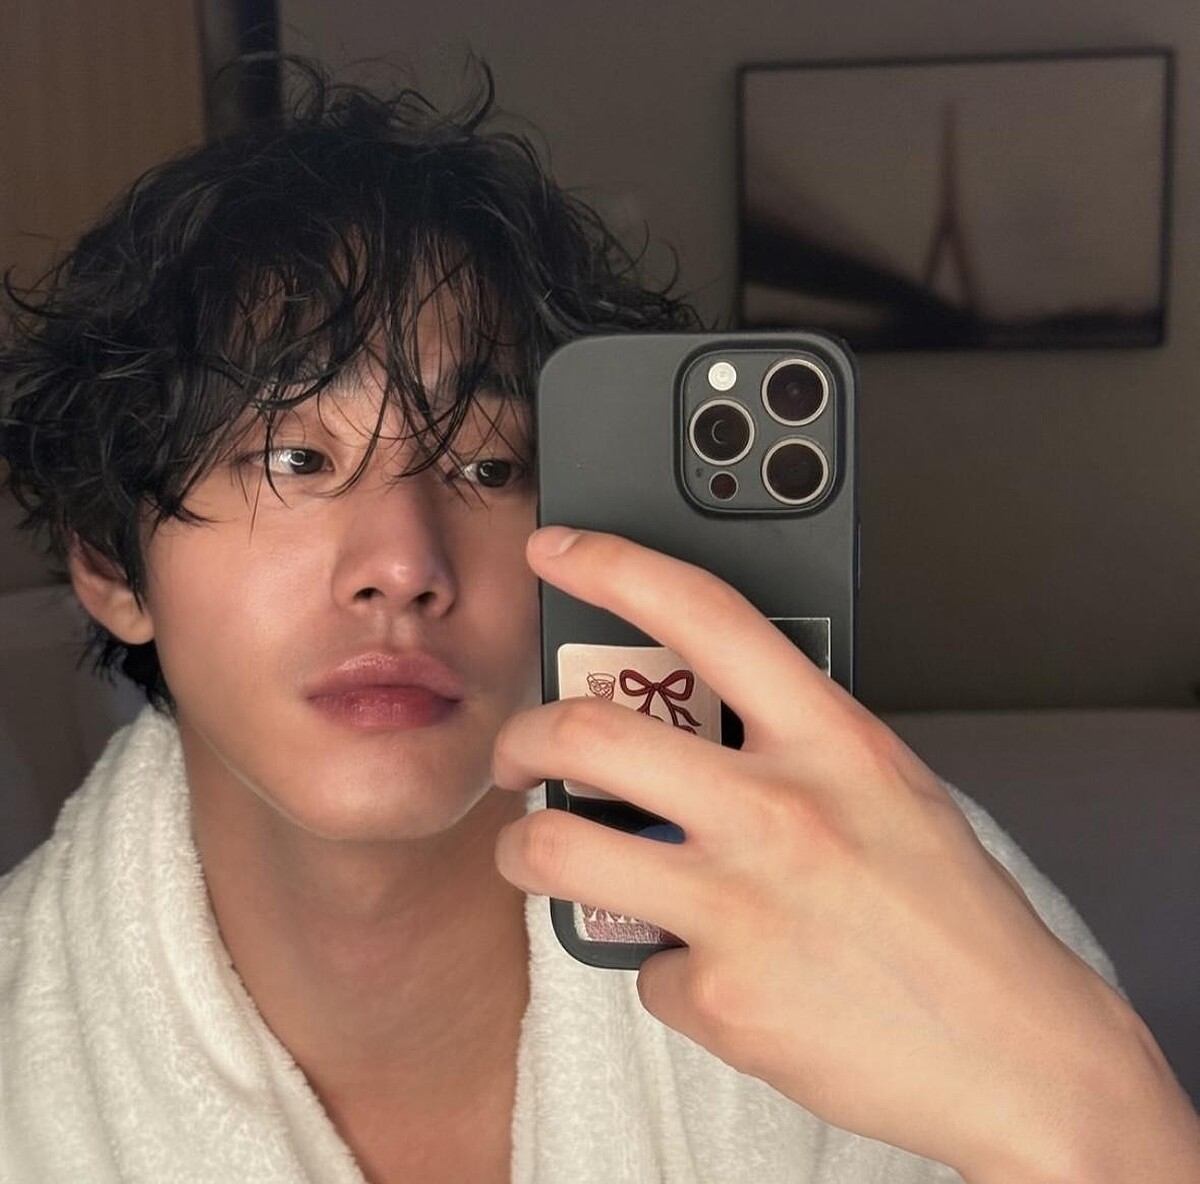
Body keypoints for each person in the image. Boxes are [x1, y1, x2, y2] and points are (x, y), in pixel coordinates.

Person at [0, 63, 1196, 1184]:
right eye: (294, 457)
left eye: (487, 466)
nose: (403, 566)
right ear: (108, 559)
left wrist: (1091, 1113)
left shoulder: (881, 907)